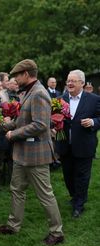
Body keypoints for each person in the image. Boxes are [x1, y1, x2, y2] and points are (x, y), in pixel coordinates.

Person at [0, 59, 64, 246]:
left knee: (45, 194)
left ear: (26, 74)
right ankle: (13, 225)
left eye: (17, 75)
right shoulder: (29, 92)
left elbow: (40, 125)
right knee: (17, 190)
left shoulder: (39, 93)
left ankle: (57, 233)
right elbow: (21, 121)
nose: (15, 79)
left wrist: (12, 134)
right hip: (22, 153)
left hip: (36, 154)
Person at [56, 70, 100, 218]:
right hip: (64, 145)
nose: (69, 83)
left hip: (84, 145)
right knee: (68, 176)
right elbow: (54, 118)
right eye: (68, 80)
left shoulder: (94, 99)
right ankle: (75, 196)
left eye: (73, 81)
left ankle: (79, 205)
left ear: (82, 83)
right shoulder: (60, 100)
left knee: (82, 176)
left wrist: (93, 121)